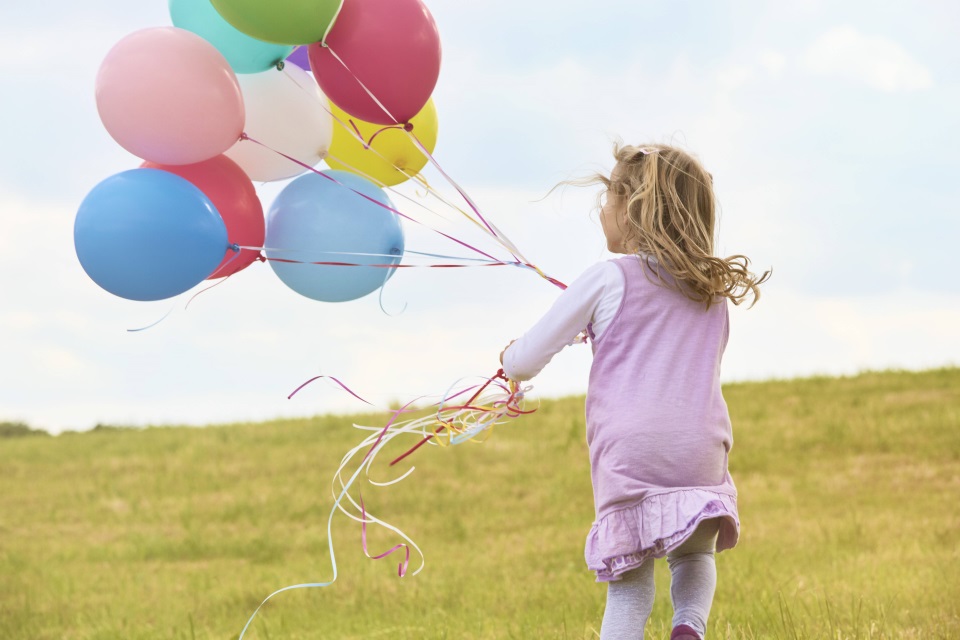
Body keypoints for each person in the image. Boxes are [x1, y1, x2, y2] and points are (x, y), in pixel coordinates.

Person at [500, 143, 769, 640]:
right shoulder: (709, 292)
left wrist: (507, 359)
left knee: (628, 582)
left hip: (631, 453)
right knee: (695, 553)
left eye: (606, 199)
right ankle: (689, 626)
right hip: (700, 449)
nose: (601, 211)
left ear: (633, 206)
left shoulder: (608, 279)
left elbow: (527, 358)